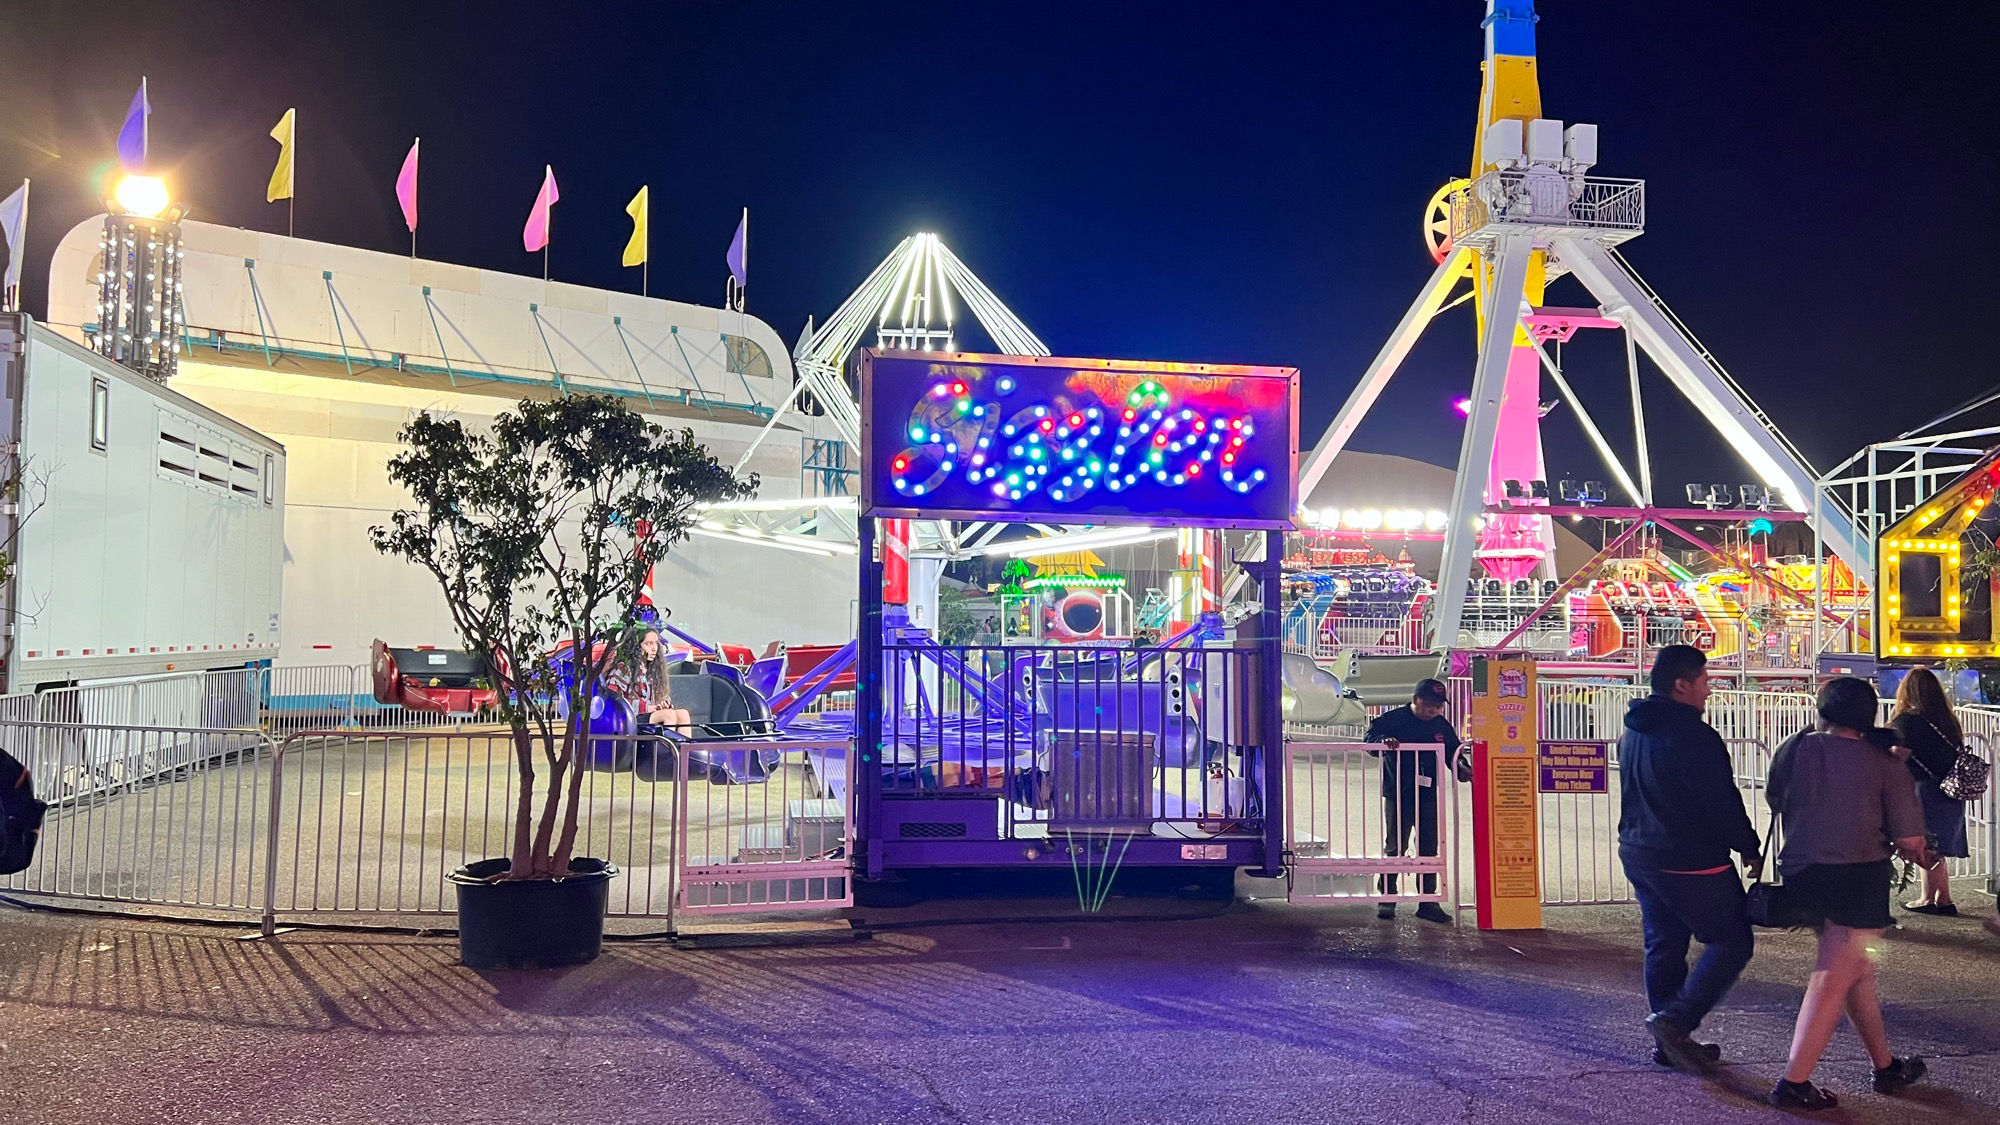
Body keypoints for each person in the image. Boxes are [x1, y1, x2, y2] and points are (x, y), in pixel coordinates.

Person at [1765, 676, 1931, 1111]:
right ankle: (1794, 1081)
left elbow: (1774, 798)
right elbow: (1910, 838)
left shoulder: (1794, 747)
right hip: (1858, 879)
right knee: (1833, 977)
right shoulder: (1884, 762)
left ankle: (1886, 1066)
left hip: (1802, 872)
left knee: (1858, 971)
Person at [1616, 644, 1760, 1074]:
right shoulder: (1695, 736)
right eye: (1704, 681)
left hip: (1640, 851)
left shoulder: (1635, 730)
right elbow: (1720, 801)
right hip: (1690, 858)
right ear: (1682, 685)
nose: (1709, 690)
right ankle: (1675, 1022)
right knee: (1732, 940)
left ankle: (1669, 1040)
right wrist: (1748, 845)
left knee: (1665, 942)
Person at [1364, 677, 1464, 924]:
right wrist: (1382, 743)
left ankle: (1428, 901)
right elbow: (1369, 740)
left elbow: (1455, 753)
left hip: (1428, 796)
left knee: (1429, 848)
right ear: (1415, 700)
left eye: (1438, 705)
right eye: (1428, 704)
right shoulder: (1393, 719)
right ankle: (1387, 897)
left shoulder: (1441, 725)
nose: (1433, 710)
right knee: (1395, 846)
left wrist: (1464, 769)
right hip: (1399, 793)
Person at [1889, 667, 1968, 916]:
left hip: (1924, 790)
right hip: (1950, 789)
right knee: (1937, 845)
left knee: (1927, 844)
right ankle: (1941, 897)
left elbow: (1892, 755)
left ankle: (1932, 898)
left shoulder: (1907, 722)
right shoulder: (1948, 721)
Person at [605, 629, 693, 733]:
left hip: (652, 715)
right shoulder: (624, 669)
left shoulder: (655, 670)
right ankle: (666, 748)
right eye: (648, 644)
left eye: (656, 643)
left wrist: (663, 704)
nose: (654, 648)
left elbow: (661, 698)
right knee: (668, 715)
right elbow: (613, 702)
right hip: (629, 719)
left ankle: (683, 748)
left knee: (683, 714)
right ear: (636, 647)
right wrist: (647, 708)